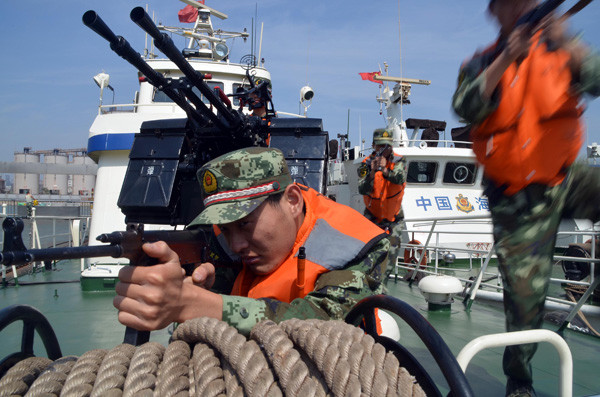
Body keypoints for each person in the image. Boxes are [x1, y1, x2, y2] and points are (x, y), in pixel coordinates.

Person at [452, 1, 600, 396]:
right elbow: (465, 106)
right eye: (511, 3)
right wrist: (506, 59)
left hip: (564, 179)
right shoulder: (480, 62)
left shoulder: (560, 48)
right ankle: (520, 379)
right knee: (524, 299)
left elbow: (597, 80)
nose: (522, 8)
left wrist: (569, 42)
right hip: (516, 202)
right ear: (495, 13)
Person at [114, 147, 390, 335]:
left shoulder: (355, 243)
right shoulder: (223, 241)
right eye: (226, 228)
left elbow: (326, 319)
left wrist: (203, 305)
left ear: (292, 201)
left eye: (245, 223)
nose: (235, 245)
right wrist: (201, 285)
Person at [357, 128, 407, 269]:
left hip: (394, 218)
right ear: (373, 146)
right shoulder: (366, 164)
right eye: (380, 145)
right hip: (372, 216)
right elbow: (362, 188)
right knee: (365, 256)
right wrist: (372, 173)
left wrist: (384, 169)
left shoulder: (399, 161)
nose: (384, 149)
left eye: (387, 145)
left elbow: (400, 178)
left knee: (389, 260)